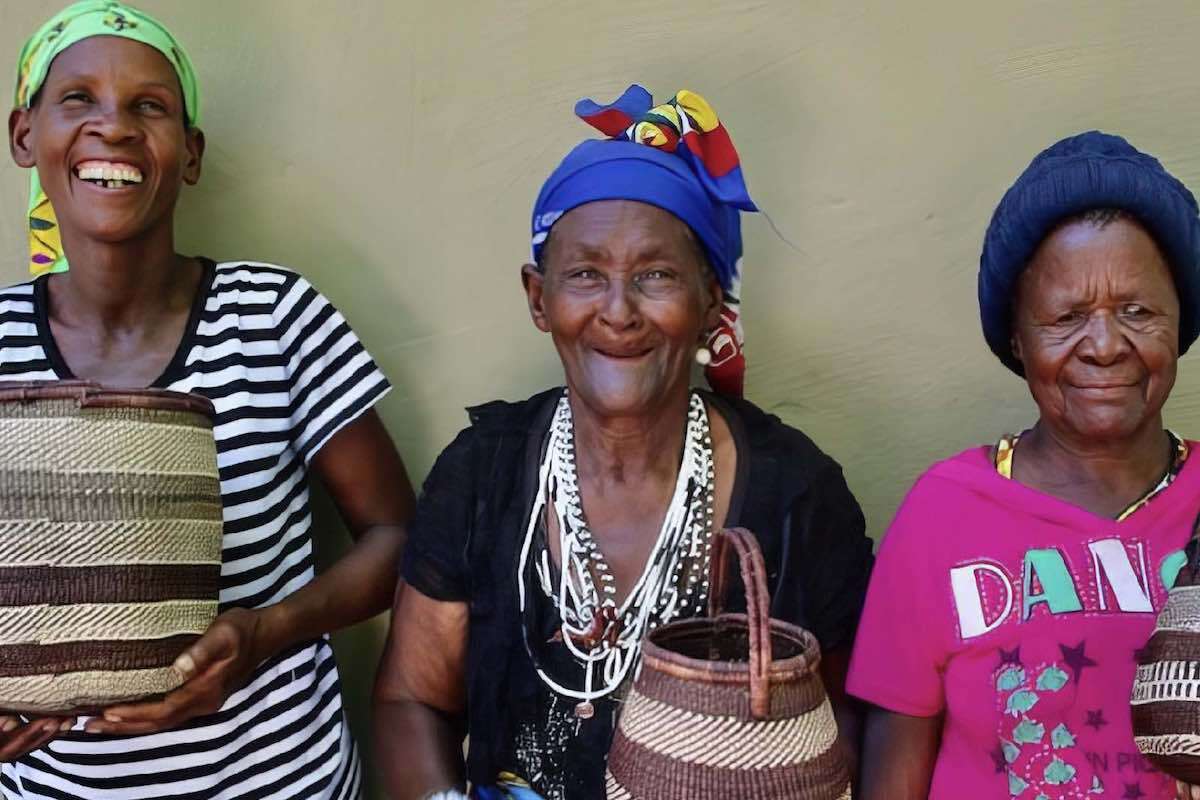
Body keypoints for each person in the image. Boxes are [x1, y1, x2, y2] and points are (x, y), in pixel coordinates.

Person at [373, 84, 875, 800]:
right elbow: (409, 699)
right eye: (585, 274)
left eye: (656, 276)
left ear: (709, 303)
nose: (618, 311)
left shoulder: (796, 493)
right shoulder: (482, 473)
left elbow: (852, 718)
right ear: (538, 298)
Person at [0, 2, 413, 797]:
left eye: (149, 105)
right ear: (26, 135)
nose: (112, 126)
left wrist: (266, 635)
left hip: (279, 782)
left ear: (188, 153)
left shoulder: (276, 319)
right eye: (77, 98)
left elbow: (400, 538)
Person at [849, 131, 1200, 800]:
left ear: (1178, 324)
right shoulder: (944, 511)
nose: (1104, 346)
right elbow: (893, 774)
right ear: (1018, 337)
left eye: (1137, 311)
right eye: (1066, 316)